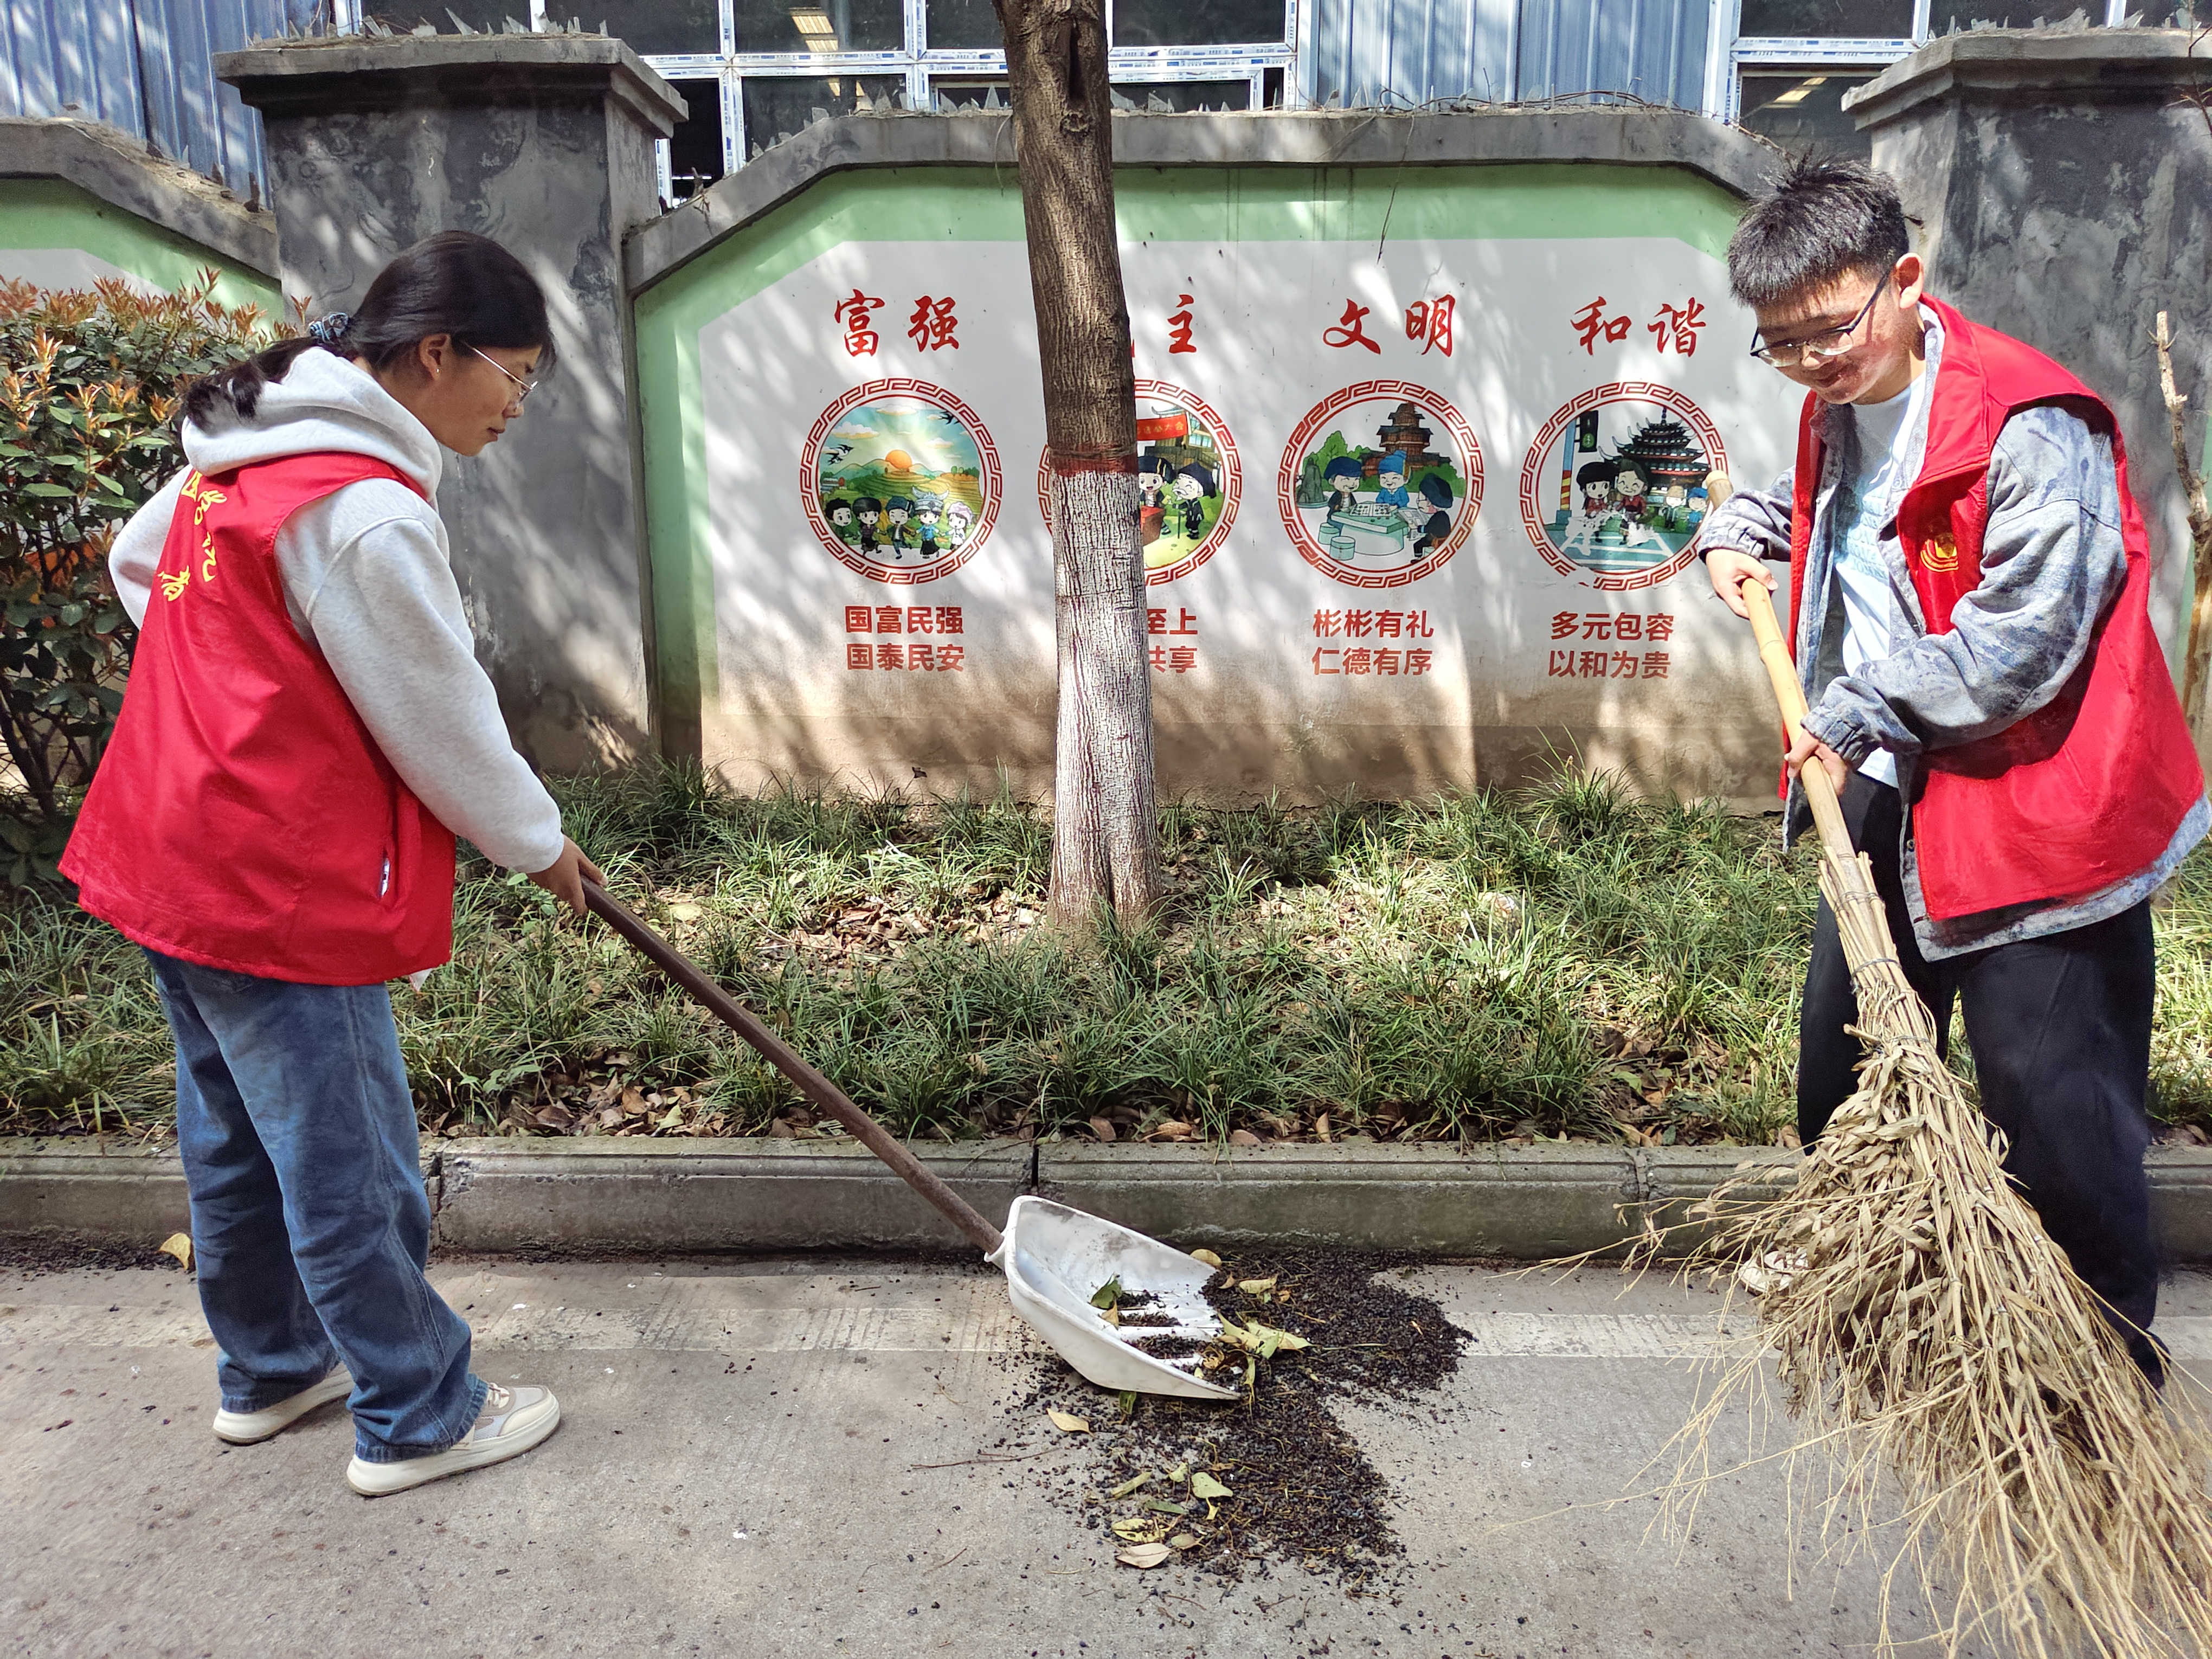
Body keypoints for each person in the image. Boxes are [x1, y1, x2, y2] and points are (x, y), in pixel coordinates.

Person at [61, 231, 603, 1490]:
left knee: (236, 1141)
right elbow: (441, 717)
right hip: (273, 882)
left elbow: (140, 566)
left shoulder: (242, 453)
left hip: (169, 848)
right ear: (435, 354)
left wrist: (243, 680)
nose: (517, 407)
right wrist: (538, 844)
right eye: (515, 376)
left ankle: (270, 1368)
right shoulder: (364, 509)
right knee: (344, 1156)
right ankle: (419, 1411)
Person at [1700, 158, 2205, 1381]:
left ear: (1907, 281)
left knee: (2054, 1095)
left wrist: (1854, 704)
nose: (1812, 363)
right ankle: (1875, 1279)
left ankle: (2096, 1362)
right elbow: (1857, 518)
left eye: (1831, 330)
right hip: (1891, 772)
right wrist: (1745, 526)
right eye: (1782, 345)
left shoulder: (2032, 423)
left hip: (2043, 796)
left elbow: (2023, 638)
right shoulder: (1841, 400)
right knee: (1850, 1051)